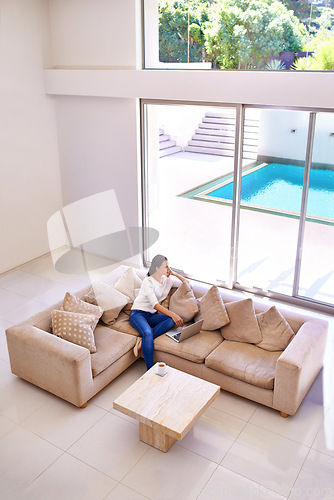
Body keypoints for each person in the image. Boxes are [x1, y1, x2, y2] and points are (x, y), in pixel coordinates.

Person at [129, 254, 189, 370]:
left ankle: (141, 342)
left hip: (150, 315)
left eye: (168, 266)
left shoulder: (168, 280)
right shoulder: (148, 281)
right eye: (166, 267)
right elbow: (155, 305)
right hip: (138, 314)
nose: (168, 269)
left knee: (171, 320)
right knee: (148, 332)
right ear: (157, 268)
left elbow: (187, 284)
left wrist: (175, 274)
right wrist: (174, 314)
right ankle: (150, 370)